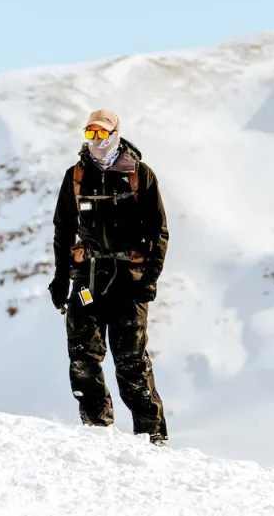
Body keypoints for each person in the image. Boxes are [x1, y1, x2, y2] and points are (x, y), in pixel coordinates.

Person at [48, 108, 170, 443]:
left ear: (115, 132)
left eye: (102, 133)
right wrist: (60, 278)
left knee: (131, 362)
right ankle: (97, 431)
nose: (97, 140)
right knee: (82, 357)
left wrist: (150, 278)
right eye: (90, 133)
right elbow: (63, 229)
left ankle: (151, 438)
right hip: (87, 279)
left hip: (129, 280)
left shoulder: (139, 174)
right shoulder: (76, 176)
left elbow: (159, 231)